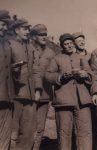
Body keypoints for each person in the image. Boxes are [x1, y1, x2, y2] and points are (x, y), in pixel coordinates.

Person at [45, 33, 93, 150]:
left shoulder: (81, 58)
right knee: (64, 133)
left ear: (73, 43)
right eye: (66, 44)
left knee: (85, 131)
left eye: (70, 43)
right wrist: (61, 77)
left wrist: (85, 74)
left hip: (82, 100)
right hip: (63, 100)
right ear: (62, 46)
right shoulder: (56, 59)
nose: (69, 46)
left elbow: (91, 74)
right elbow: (47, 75)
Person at [9, 18, 41, 150]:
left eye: (28, 29)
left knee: (28, 130)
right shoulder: (9, 45)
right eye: (24, 29)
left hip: (30, 94)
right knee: (12, 130)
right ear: (17, 30)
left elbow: (36, 70)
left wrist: (38, 89)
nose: (28, 31)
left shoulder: (31, 47)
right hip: (14, 94)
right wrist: (13, 68)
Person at [30, 24, 56, 150]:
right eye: (40, 35)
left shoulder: (51, 53)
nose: (43, 37)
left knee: (40, 127)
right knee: (28, 126)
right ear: (34, 36)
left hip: (45, 94)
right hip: (29, 94)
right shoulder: (28, 49)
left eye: (45, 34)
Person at [0, 10, 14, 150]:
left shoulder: (6, 45)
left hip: (6, 96)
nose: (4, 28)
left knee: (5, 134)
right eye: (2, 24)